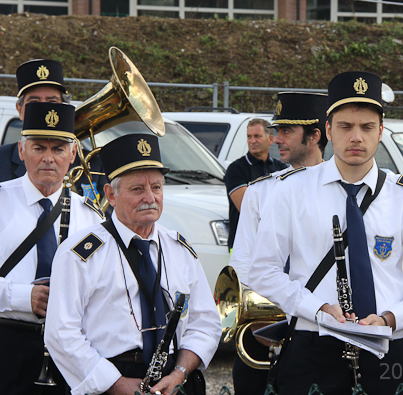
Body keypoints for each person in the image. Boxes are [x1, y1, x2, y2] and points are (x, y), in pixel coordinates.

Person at [247, 71, 403, 395]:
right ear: (328, 130)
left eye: (367, 127)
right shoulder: (291, 191)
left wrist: (391, 318)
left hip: (386, 346)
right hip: (313, 345)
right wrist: (316, 308)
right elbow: (262, 271)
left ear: (381, 131)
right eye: (345, 126)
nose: (356, 137)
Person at [44, 133, 221, 395]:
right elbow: (61, 333)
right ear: (111, 195)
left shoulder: (179, 249)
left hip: (174, 381)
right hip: (111, 378)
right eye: (137, 189)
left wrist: (179, 373)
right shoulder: (80, 254)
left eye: (156, 187)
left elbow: (205, 323)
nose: (150, 197)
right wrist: (113, 383)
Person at [0, 102, 105, 395]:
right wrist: (24, 297)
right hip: (7, 344)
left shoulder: (92, 217)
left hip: (71, 350)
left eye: (58, 149)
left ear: (73, 154)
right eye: (38, 148)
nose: (48, 158)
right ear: (22, 151)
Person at [228, 92, 328, 395]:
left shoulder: (342, 190)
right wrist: (260, 318)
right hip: (265, 326)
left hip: (321, 326)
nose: (277, 139)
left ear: (314, 136)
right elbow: (243, 259)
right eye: (277, 130)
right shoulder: (260, 191)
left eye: (286, 131)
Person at [0, 58, 107, 201]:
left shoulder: (94, 165)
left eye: (52, 102)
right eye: (34, 103)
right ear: (19, 110)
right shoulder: (2, 159)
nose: (44, 110)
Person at [224, 118, 287, 252]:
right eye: (249, 136)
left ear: (270, 139)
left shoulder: (281, 168)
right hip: (244, 247)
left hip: (274, 246)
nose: (252, 141)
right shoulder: (236, 169)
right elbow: (248, 208)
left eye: (257, 136)